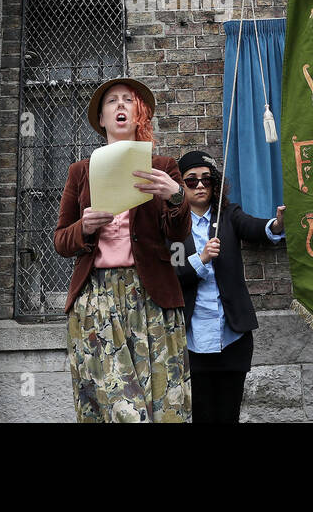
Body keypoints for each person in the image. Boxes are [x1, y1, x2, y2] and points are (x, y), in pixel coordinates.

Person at [53, 77, 192, 423]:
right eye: (111, 101)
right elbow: (60, 241)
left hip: (152, 297)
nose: (119, 106)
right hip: (96, 298)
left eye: (127, 100)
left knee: (165, 406)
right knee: (123, 410)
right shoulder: (80, 172)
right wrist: (84, 227)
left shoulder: (162, 168)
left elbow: (178, 234)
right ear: (101, 119)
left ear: (139, 112)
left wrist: (176, 195)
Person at [173, 150, 285, 424]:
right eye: (191, 181)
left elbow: (253, 227)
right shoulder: (174, 227)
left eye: (207, 180)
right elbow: (174, 273)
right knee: (201, 415)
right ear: (180, 186)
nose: (200, 185)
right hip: (193, 342)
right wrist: (201, 259)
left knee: (228, 415)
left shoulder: (228, 215)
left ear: (215, 183)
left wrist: (277, 224)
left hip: (231, 338)